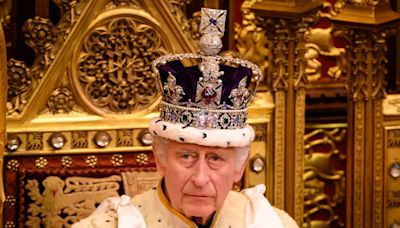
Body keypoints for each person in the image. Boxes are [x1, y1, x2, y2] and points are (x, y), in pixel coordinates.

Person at [72, 8, 298, 228]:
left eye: (216, 159)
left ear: (238, 169)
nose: (200, 179)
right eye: (186, 156)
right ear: (161, 160)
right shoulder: (108, 225)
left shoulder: (271, 223)